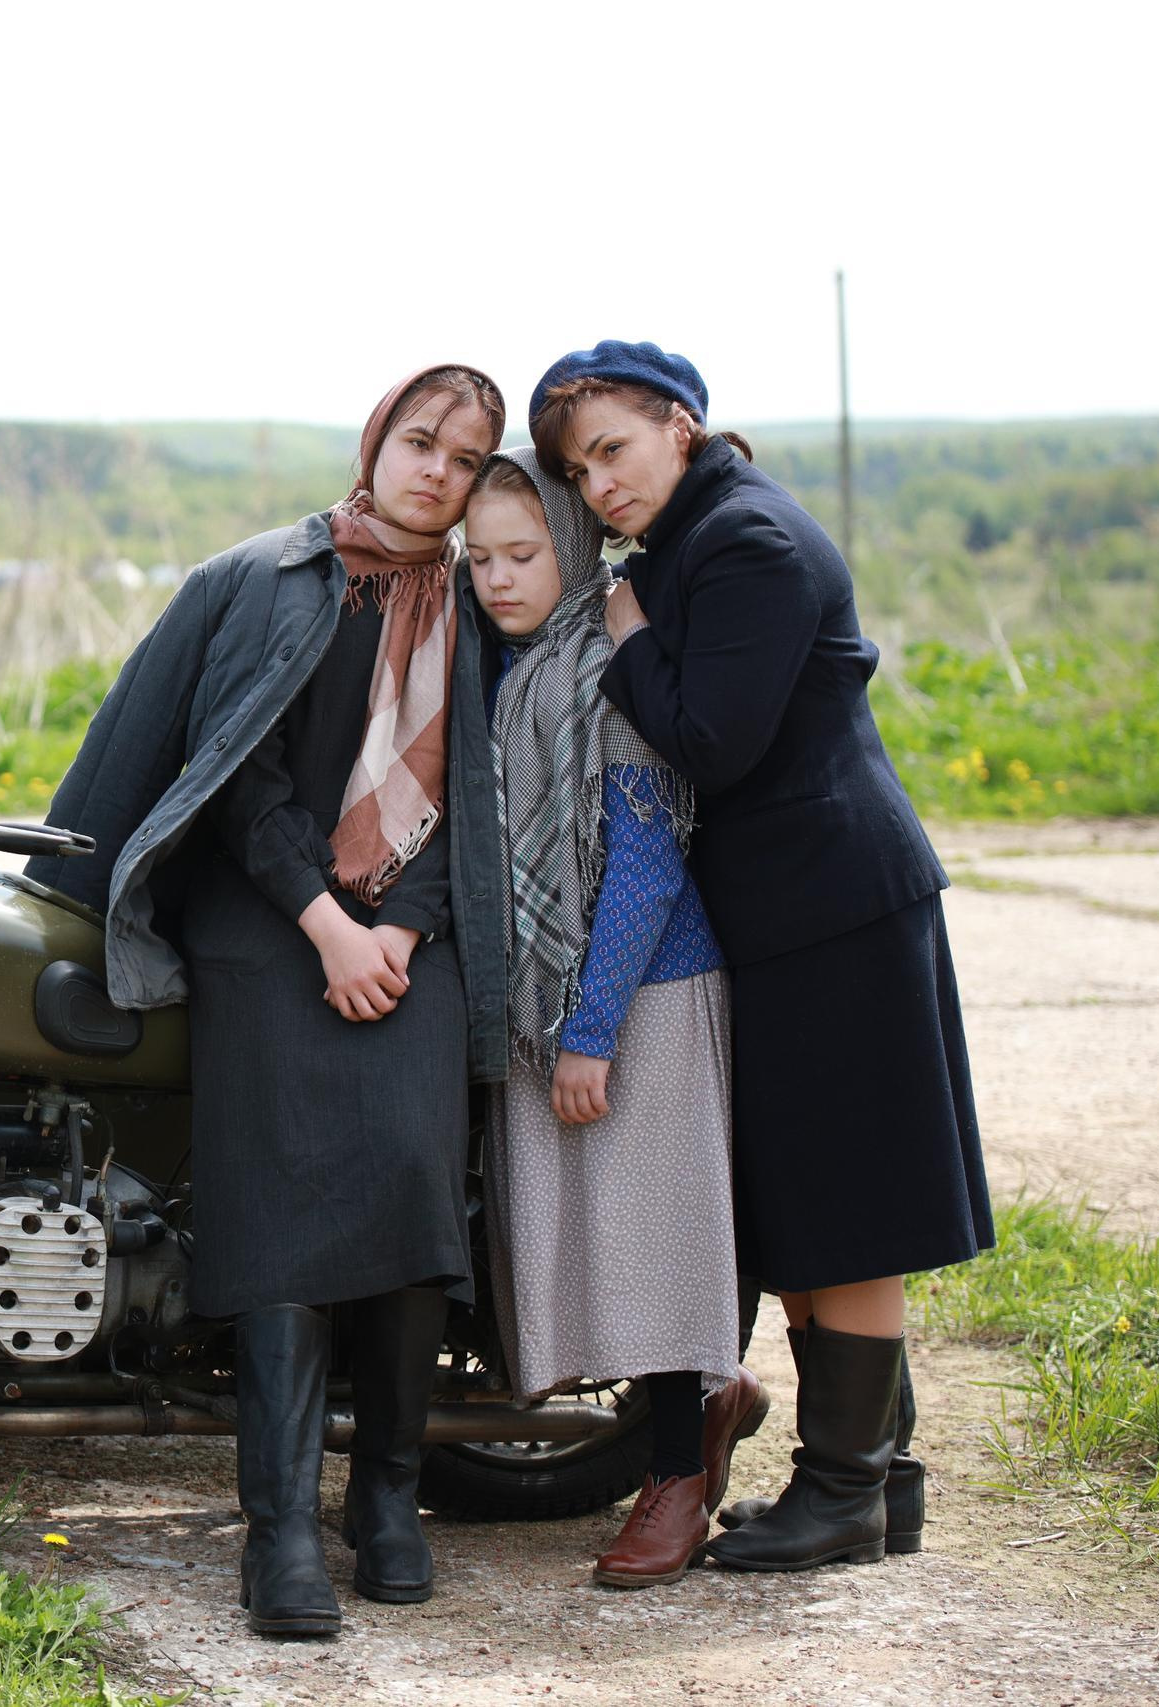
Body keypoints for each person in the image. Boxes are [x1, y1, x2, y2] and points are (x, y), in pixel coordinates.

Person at [26, 364, 512, 1638]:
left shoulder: (475, 607)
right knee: (284, 1207)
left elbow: (478, 797)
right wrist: (327, 927)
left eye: (464, 462)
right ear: (377, 440)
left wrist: (398, 929)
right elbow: (233, 779)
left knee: (416, 1189)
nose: (435, 474)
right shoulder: (272, 578)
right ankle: (280, 1527)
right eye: (420, 442)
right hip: (264, 918)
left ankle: (390, 1496)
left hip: (418, 932)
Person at [527, 341, 993, 1573]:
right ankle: (876, 1484)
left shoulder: (745, 542)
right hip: (792, 913)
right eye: (577, 472)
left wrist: (626, 638)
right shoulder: (696, 535)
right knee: (811, 1197)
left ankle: (843, 1489)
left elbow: (709, 743)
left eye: (613, 450)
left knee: (849, 1208)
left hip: (832, 903)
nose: (599, 488)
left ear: (680, 424)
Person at [463, 448, 768, 1589]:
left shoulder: (601, 663)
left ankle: (677, 1481)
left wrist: (592, 1032)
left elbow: (643, 863)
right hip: (547, 995)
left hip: (641, 989)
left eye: (523, 553)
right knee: (586, 1241)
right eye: (480, 558)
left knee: (658, 1238)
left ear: (574, 547)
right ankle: (701, 1402)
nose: (498, 579)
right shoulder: (502, 668)